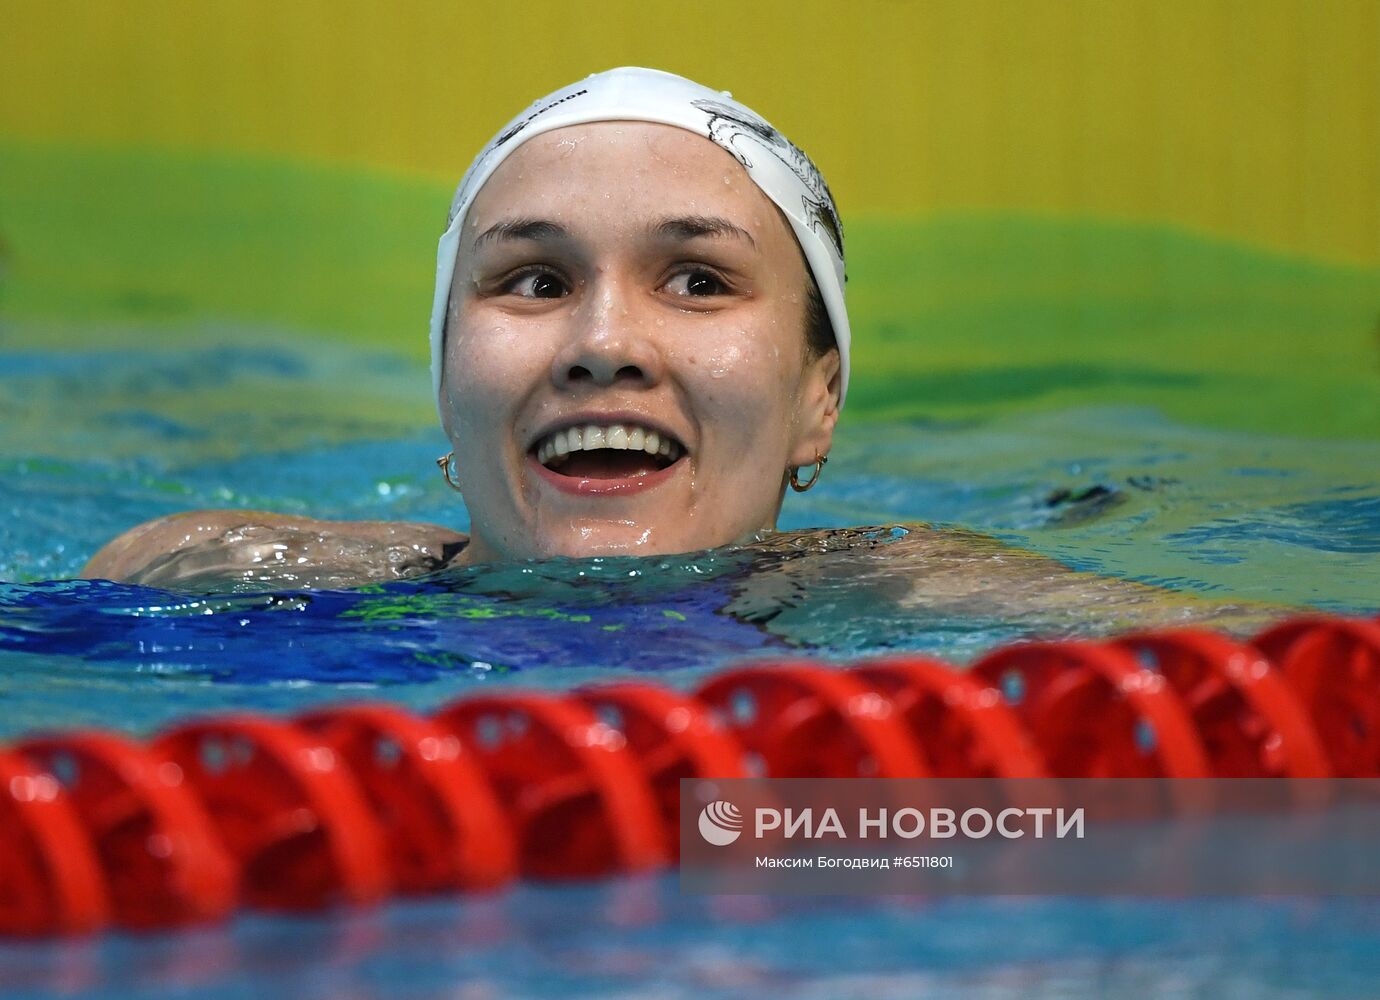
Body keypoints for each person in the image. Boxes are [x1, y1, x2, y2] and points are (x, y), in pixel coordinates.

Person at [78, 68, 1284, 635]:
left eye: (698, 280)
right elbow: (141, 559)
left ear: (821, 405)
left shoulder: (907, 593)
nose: (604, 343)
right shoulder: (232, 581)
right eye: (535, 281)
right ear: (447, 387)